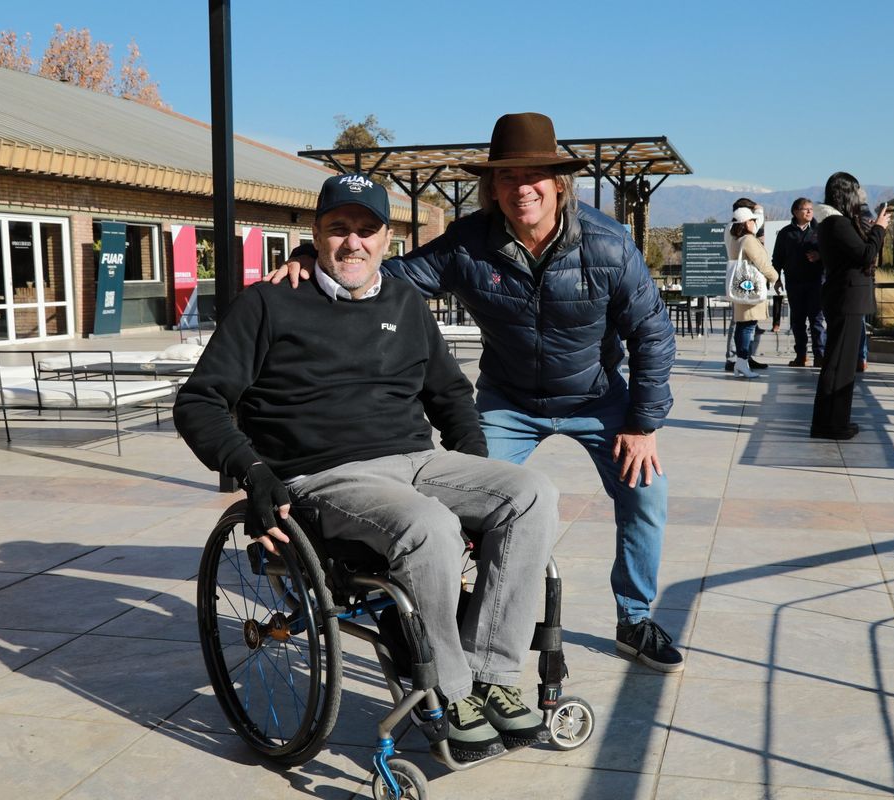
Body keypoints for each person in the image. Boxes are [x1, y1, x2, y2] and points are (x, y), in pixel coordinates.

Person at [173, 172, 560, 762]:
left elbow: (452, 396)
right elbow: (198, 402)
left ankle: (493, 676)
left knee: (531, 493)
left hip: (419, 460)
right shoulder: (268, 303)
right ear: (315, 234)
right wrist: (251, 472)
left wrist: (472, 475)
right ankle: (449, 692)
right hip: (326, 475)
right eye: (338, 229)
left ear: (387, 239)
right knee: (428, 525)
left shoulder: (405, 303)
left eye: (366, 230)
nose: (353, 242)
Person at [276, 112, 683, 674]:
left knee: (646, 494)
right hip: (508, 400)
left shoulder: (609, 245)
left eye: (534, 175)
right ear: (492, 187)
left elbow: (653, 333)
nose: (523, 189)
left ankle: (634, 619)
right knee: (461, 501)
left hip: (598, 399)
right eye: (508, 178)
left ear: (558, 183)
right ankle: (461, 617)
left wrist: (643, 423)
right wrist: (315, 258)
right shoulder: (470, 243)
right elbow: (387, 275)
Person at [810, 172, 889, 440]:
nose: (860, 196)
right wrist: (879, 228)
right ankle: (832, 424)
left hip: (845, 297)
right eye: (856, 191)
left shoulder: (835, 222)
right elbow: (865, 253)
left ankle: (832, 421)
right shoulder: (836, 223)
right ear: (845, 193)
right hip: (846, 298)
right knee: (839, 364)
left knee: (839, 363)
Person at [772, 197, 825, 367]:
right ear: (795, 212)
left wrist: (819, 256)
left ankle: (820, 356)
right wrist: (776, 279)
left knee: (816, 320)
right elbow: (777, 258)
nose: (810, 211)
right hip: (794, 283)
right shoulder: (785, 233)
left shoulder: (820, 231)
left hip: (816, 282)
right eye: (805, 209)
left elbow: (831, 254)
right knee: (798, 321)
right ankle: (801, 356)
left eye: (811, 208)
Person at [726, 207, 778, 378]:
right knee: (748, 327)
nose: (755, 223)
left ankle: (741, 363)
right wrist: (775, 277)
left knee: (742, 325)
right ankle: (742, 362)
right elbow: (762, 263)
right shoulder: (748, 240)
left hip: (741, 287)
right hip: (751, 289)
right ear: (747, 222)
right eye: (753, 220)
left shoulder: (735, 239)